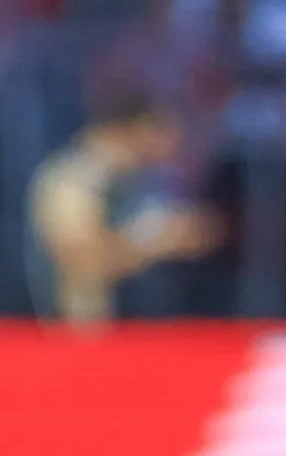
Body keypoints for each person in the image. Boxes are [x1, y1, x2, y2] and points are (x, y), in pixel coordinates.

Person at [25, 90, 222, 327]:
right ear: (136, 129)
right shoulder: (71, 181)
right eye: (161, 129)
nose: (173, 140)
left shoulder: (137, 181)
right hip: (83, 337)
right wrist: (156, 243)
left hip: (143, 331)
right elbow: (83, 262)